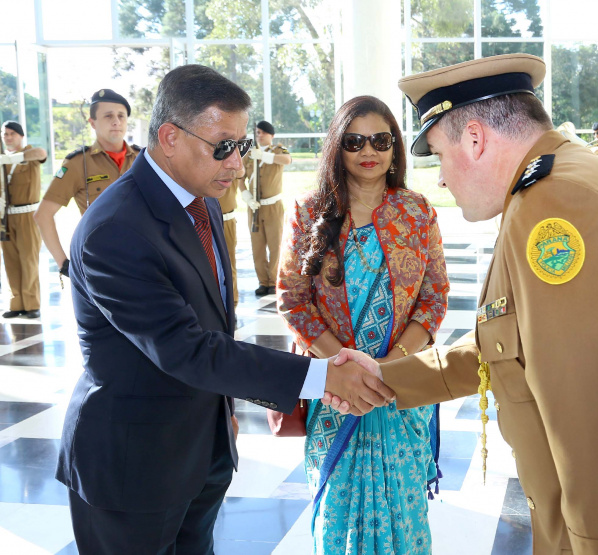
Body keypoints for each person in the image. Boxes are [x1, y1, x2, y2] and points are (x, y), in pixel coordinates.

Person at [330, 53, 598, 555]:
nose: (443, 179)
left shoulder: (558, 204)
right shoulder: (555, 186)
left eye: (441, 157)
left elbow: (597, 420)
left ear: (475, 139)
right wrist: (385, 378)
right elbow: (510, 341)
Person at [55, 64, 395, 554]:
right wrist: (322, 377)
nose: (236, 164)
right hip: (133, 469)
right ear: (170, 137)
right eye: (222, 147)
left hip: (201, 451)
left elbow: (214, 321)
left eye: (242, 147)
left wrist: (222, 413)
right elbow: (186, 349)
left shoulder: (201, 200)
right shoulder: (117, 228)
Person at [277, 95, 449, 555]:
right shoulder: (310, 212)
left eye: (380, 140)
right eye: (354, 141)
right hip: (335, 391)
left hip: (401, 389)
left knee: (405, 514)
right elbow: (293, 300)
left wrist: (388, 368)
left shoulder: (417, 212)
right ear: (338, 147)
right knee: (338, 513)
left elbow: (433, 298)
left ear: (395, 148)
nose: (368, 150)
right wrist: (344, 368)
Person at [34, 89, 140, 280]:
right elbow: (43, 215)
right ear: (92, 123)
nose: (116, 121)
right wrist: (64, 264)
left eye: (121, 116)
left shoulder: (144, 160)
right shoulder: (77, 164)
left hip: (144, 261)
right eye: (108, 116)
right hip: (101, 265)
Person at [238, 120, 292, 296]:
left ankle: (274, 281)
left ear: (271, 135)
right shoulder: (250, 154)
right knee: (257, 246)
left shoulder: (278, 150)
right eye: (257, 132)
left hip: (273, 207)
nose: (259, 135)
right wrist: (246, 196)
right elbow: (240, 178)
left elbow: (287, 159)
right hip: (254, 207)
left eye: (262, 132)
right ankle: (263, 281)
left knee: (275, 246)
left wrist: (265, 157)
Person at [0, 121, 46, 318]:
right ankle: (16, 303)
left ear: (20, 136)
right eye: (5, 134)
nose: (8, 137)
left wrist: (14, 158)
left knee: (29, 260)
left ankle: (31, 304)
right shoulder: (3, 159)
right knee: (10, 261)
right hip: (6, 216)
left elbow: (41, 154)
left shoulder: (29, 154)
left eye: (12, 134)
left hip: (27, 215)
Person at [221, 169, 241, 307]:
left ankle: (231, 303)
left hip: (226, 220)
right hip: (203, 220)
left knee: (229, 264)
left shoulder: (230, 166)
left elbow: (240, 171)